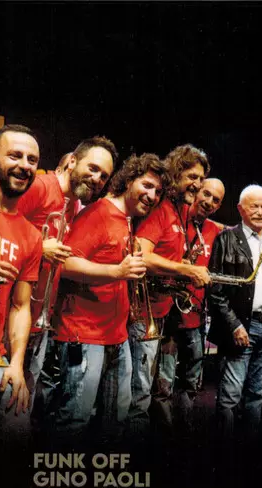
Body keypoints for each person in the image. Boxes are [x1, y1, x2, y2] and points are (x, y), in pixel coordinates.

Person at [53, 153, 168, 443]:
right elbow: (65, 265)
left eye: (158, 191)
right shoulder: (98, 213)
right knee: (75, 420)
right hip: (84, 334)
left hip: (116, 335)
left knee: (116, 419)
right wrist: (117, 271)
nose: (152, 196)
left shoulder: (125, 219)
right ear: (128, 180)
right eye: (147, 185)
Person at [18, 136, 119, 419]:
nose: (97, 179)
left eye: (104, 176)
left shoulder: (74, 205)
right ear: (73, 161)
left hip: (38, 317)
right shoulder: (40, 187)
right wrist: (39, 246)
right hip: (13, 314)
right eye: (93, 168)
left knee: (22, 404)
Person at [127, 144, 212, 436]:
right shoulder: (162, 209)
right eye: (192, 177)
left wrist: (181, 267)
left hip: (160, 312)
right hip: (142, 313)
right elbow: (142, 254)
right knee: (139, 391)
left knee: (148, 387)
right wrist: (185, 270)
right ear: (176, 174)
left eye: (201, 179)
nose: (198, 185)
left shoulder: (181, 211)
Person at [208, 185, 262, 438]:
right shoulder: (226, 239)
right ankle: (225, 451)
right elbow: (215, 289)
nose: (261, 212)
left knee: (258, 392)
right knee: (230, 395)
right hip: (242, 326)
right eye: (255, 206)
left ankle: (248, 448)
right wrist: (234, 326)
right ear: (241, 209)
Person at [0, 124, 43, 442]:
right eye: (15, 156)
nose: (24, 165)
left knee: (17, 427)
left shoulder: (32, 236)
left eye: (32, 160)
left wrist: (17, 365)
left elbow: (21, 307)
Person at [156, 177, 225, 432]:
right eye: (206, 194)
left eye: (216, 200)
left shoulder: (214, 229)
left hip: (195, 317)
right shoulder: (175, 218)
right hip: (169, 314)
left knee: (192, 379)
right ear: (196, 191)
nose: (209, 201)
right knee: (163, 382)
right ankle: (164, 432)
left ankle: (184, 430)